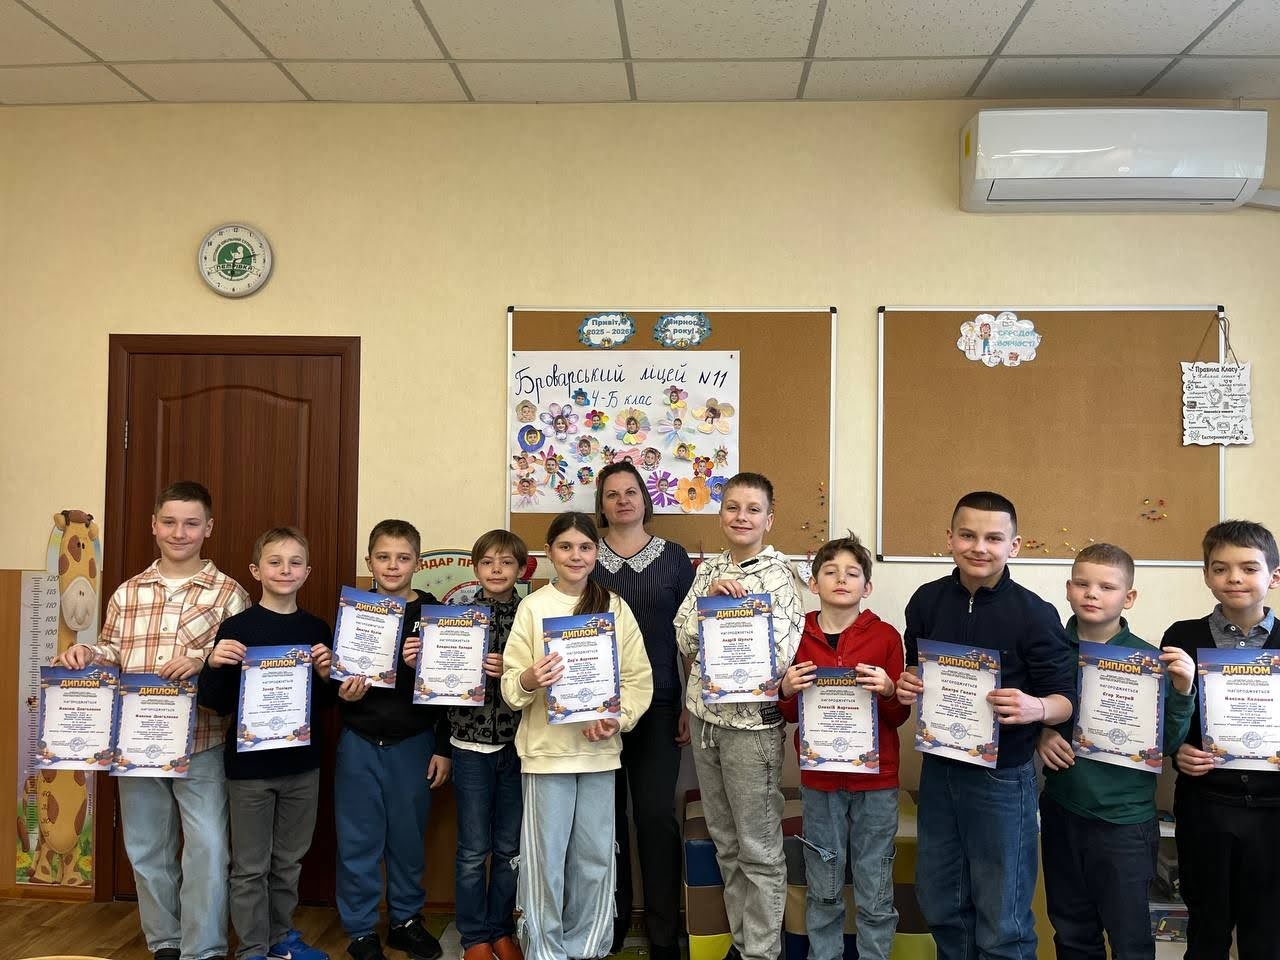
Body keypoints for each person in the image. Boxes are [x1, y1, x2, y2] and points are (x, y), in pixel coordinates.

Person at [55, 480, 249, 960]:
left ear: (209, 528)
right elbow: (113, 650)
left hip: (202, 740)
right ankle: (165, 941)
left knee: (208, 847)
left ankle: (203, 948)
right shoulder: (128, 592)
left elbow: (240, 664)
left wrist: (201, 660)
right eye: (169, 522)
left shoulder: (230, 594)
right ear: (154, 526)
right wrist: (87, 653)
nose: (179, 533)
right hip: (136, 743)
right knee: (146, 846)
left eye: (191, 523)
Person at [895, 491, 1075, 960]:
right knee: (942, 903)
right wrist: (909, 682)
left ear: (1014, 546)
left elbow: (1066, 700)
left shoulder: (1035, 613)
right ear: (949, 538)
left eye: (994, 538)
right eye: (968, 535)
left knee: (1003, 920)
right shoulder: (927, 600)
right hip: (939, 771)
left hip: (1003, 778)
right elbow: (916, 666)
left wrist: (1036, 709)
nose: (979, 547)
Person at [500, 512, 653, 960]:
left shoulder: (614, 607)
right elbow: (510, 688)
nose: (575, 556)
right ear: (549, 552)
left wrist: (617, 719)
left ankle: (586, 948)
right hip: (546, 755)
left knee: (595, 858)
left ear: (596, 553)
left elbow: (638, 679)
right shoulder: (533, 608)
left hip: (598, 752)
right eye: (565, 547)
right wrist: (530, 678)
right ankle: (545, 951)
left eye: (585, 547)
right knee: (545, 861)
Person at [1036, 543, 1195, 960]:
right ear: (1068, 589)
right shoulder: (1047, 649)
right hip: (1063, 808)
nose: (1092, 593)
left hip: (1125, 820)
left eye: (1107, 587)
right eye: (1083, 584)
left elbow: (1168, 744)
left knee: (1130, 937)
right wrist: (1040, 734)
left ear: (1129, 597)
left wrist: (1182, 691)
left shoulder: (1150, 660)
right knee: (1071, 930)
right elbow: (1025, 709)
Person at [673, 472, 804, 960]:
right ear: (721, 514)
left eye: (753, 509)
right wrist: (710, 604)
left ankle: (762, 952)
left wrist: (738, 614)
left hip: (752, 729)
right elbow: (683, 637)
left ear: (769, 520)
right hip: (707, 722)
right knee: (726, 844)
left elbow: (784, 654)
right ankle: (743, 943)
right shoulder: (708, 569)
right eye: (732, 507)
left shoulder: (780, 575)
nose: (741, 517)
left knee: (758, 849)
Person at [199, 526, 336, 960]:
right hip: (249, 771)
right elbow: (215, 703)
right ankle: (252, 949)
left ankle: (280, 940)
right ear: (256, 570)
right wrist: (213, 664)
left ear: (307, 572)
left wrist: (326, 676)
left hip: (302, 767)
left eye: (295, 563)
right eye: (275, 562)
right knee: (250, 867)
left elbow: (327, 704)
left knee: (288, 862)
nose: (285, 570)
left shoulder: (317, 629)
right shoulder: (237, 628)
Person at [777, 533, 907, 960]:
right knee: (824, 887)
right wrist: (785, 689)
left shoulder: (886, 637)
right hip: (820, 782)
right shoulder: (796, 634)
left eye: (852, 573)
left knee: (875, 888)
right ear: (813, 583)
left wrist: (890, 689)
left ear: (867, 587)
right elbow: (788, 713)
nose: (841, 579)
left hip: (876, 782)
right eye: (830, 572)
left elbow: (898, 716)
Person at [1161, 520, 1280, 960]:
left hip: (1273, 812)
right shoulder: (1181, 638)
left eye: (1249, 568)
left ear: (1274, 576)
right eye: (1220, 568)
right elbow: (1165, 719)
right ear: (1206, 575)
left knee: (1267, 933)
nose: (1234, 578)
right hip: (1206, 805)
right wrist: (1178, 751)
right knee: (1207, 929)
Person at [591, 462, 695, 958]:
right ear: (601, 504)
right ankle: (610, 921)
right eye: (612, 494)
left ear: (645, 498)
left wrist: (689, 701)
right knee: (604, 818)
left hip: (659, 701)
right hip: (597, 706)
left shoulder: (674, 558)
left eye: (631, 491)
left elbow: (691, 634)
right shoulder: (585, 554)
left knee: (654, 815)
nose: (623, 501)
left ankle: (662, 932)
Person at [337, 520, 452, 960]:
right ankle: (361, 930)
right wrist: (343, 690)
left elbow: (453, 692)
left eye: (403, 558)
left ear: (417, 563)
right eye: (383, 557)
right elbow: (333, 684)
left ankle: (405, 920)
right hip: (360, 740)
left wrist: (443, 748)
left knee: (407, 839)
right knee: (358, 841)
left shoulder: (437, 614)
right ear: (369, 561)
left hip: (414, 742)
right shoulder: (355, 612)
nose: (392, 565)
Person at [447, 529, 530, 960]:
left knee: (509, 848)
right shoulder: (454, 617)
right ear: (475, 568)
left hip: (520, 746)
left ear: (522, 569)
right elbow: (438, 685)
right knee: (472, 849)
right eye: (487, 562)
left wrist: (514, 669)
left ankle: (501, 929)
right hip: (469, 746)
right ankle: (474, 936)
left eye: (506, 562)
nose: (496, 570)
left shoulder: (532, 616)